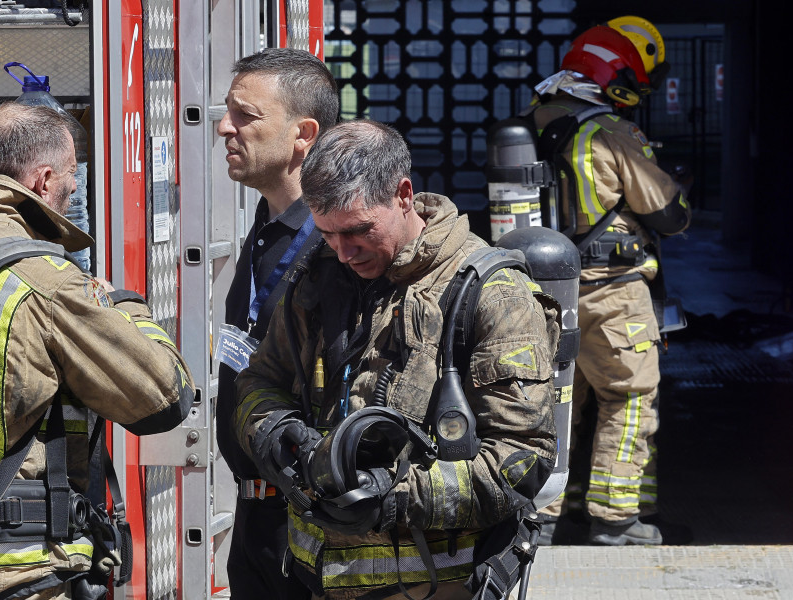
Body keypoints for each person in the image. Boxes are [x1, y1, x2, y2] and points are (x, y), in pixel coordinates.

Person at [233, 119, 560, 599]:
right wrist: (281, 437)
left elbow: (521, 460)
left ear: (404, 195)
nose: (343, 252)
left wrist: (393, 497)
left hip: (434, 585)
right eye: (326, 234)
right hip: (311, 581)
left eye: (358, 231)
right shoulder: (319, 280)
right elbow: (260, 379)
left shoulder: (492, 295)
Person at [0, 102, 196, 598]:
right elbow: (164, 397)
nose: (75, 189)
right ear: (43, 180)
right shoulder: (47, 281)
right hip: (11, 570)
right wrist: (125, 307)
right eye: (73, 175)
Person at [528, 16, 692, 545]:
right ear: (613, 73)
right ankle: (616, 519)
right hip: (612, 290)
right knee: (628, 396)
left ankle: (550, 511)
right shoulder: (611, 130)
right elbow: (667, 211)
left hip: (541, 290)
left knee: (555, 401)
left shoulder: (536, 119)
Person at [214, 47, 339, 599]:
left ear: (302, 134)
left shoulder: (335, 249)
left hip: (310, 526)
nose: (224, 127)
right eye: (226, 111)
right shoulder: (266, 227)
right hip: (257, 522)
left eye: (246, 115)